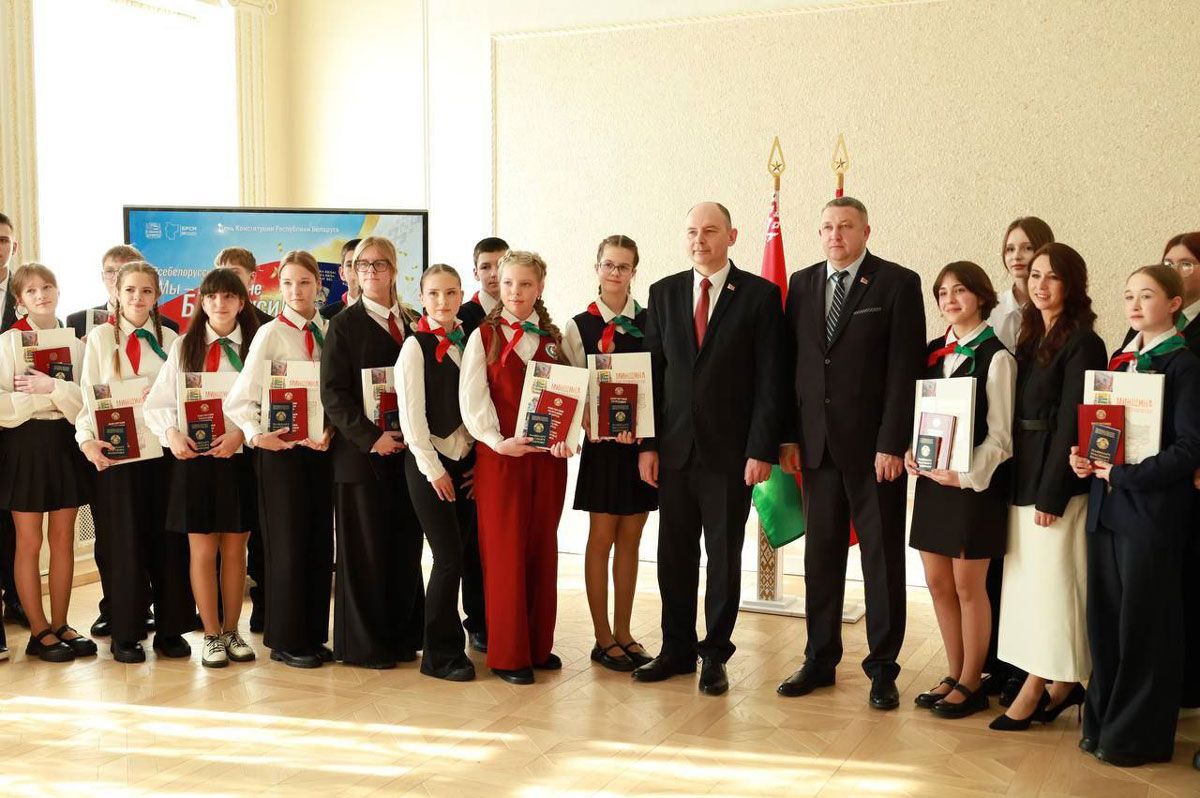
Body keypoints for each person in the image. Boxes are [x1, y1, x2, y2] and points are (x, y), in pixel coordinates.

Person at [632, 202, 788, 697]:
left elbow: (771, 380)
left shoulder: (760, 295)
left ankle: (715, 654)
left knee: (723, 558)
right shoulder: (663, 292)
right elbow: (652, 374)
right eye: (692, 231)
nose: (699, 240)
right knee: (673, 556)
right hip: (674, 452)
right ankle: (675, 649)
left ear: (732, 236)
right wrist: (648, 444)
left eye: (710, 231)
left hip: (731, 455)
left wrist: (761, 448)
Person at [778, 196, 925, 710]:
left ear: (866, 231)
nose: (835, 235)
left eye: (845, 226)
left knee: (881, 560)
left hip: (873, 453)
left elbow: (905, 369)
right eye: (826, 227)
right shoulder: (802, 283)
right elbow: (795, 366)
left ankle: (883, 669)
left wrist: (892, 442)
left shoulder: (897, 283)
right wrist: (789, 437)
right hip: (816, 448)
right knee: (820, 558)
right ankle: (819, 659)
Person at [1069, 264, 1200, 766]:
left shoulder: (1185, 365)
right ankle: (1102, 723)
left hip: (1150, 515)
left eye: (1146, 295)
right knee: (1105, 624)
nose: (1135, 305)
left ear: (1174, 304)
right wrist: (1084, 458)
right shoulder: (1120, 360)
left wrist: (1125, 475)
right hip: (1106, 509)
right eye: (1128, 296)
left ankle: (1136, 737)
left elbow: (1190, 448)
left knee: (1145, 628)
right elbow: (1103, 433)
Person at [992, 242, 1106, 731]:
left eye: (1052, 276)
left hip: (1055, 482)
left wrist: (1052, 492)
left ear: (1071, 284)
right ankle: (1059, 684)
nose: (1040, 284)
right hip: (1023, 473)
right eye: (1035, 275)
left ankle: (1039, 685)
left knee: (1054, 589)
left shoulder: (1084, 342)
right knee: (1028, 587)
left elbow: (1073, 422)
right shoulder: (1031, 333)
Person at [459, 249, 575, 684]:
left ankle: (538, 646)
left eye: (525, 284)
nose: (515, 292)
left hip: (547, 463)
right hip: (502, 459)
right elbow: (472, 399)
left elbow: (571, 397)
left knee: (541, 547)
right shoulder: (483, 337)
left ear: (539, 288)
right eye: (508, 283)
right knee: (505, 553)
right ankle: (509, 656)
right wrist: (495, 442)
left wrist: (567, 440)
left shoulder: (554, 338)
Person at [905, 261, 1014, 718]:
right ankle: (953, 673)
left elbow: (1002, 438)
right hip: (934, 484)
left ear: (981, 297)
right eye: (943, 293)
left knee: (969, 587)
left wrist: (965, 475)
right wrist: (912, 451)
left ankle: (973, 680)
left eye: (960, 290)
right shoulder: (933, 352)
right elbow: (923, 417)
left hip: (973, 488)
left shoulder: (998, 357)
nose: (950, 300)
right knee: (937, 583)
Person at [76, 261, 194, 664]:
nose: (137, 298)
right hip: (118, 454)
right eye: (130, 290)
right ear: (117, 293)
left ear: (157, 295)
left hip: (162, 454)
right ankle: (126, 631)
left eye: (146, 291)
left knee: (168, 541)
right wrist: (86, 440)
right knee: (122, 543)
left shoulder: (172, 338)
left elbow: (181, 395)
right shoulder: (99, 338)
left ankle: (171, 629)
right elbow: (88, 395)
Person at [145, 268, 259, 668]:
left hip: (239, 460)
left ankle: (232, 631)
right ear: (202, 302)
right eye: (212, 297)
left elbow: (266, 400)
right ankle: (210, 635)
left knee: (236, 549)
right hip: (195, 462)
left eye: (228, 296)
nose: (219, 304)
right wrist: (172, 433)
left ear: (241, 302)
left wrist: (240, 434)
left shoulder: (255, 344)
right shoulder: (184, 346)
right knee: (203, 549)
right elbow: (158, 403)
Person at [320, 236, 424, 669]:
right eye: (363, 265)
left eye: (380, 264)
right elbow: (333, 394)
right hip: (361, 459)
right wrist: (370, 438)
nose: (371, 271)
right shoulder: (344, 324)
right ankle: (366, 647)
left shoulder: (414, 321)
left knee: (404, 548)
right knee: (366, 554)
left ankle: (401, 639)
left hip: (408, 455)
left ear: (394, 270)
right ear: (353, 272)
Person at [226, 250, 334, 669]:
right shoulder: (270, 334)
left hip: (319, 453)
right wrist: (257, 436)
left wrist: (331, 430)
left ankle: (312, 634)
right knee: (287, 546)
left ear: (318, 285)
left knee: (317, 544)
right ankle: (286, 640)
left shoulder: (328, 331)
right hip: (281, 456)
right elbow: (240, 399)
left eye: (304, 282)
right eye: (287, 283)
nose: (295, 291)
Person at [562, 235, 657, 672]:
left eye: (623, 266)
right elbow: (570, 387)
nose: (615, 273)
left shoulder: (651, 321)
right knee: (601, 538)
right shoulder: (578, 325)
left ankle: (625, 631)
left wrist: (646, 434)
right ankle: (602, 637)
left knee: (632, 540)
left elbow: (659, 382)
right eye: (608, 264)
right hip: (601, 449)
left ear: (634, 271)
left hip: (639, 449)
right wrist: (587, 418)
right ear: (596, 267)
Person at [0, 263, 95, 662]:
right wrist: (45, 395)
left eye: (47, 287)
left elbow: (84, 401)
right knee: (28, 541)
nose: (41, 295)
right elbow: (3, 406)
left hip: (64, 443)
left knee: (63, 538)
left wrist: (53, 387)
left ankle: (61, 623)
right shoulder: (7, 342)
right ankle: (38, 630)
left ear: (58, 291)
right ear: (20, 300)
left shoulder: (76, 344)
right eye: (31, 290)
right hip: (24, 444)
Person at [983, 217, 1053, 704]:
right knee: (994, 558)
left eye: (1027, 248)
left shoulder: (1055, 312)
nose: (1018, 257)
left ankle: (1027, 668)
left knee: (1028, 563)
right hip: (994, 445)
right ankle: (995, 662)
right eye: (1011, 248)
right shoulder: (992, 312)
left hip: (1033, 447)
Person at [395, 264, 477, 681]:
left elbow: (480, 404)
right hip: (429, 464)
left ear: (461, 295)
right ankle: (439, 655)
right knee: (448, 558)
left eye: (450, 293)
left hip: (465, 462)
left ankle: (453, 643)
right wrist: (434, 470)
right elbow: (412, 419)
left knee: (461, 557)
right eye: (433, 294)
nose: (442, 301)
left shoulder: (471, 338)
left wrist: (477, 463)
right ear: (422, 298)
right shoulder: (415, 346)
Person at [214, 246, 271, 631]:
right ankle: (218, 614)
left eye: (235, 274)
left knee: (261, 533)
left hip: (257, 447)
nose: (227, 282)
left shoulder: (266, 326)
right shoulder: (195, 334)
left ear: (251, 279)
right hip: (214, 447)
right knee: (221, 534)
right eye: (221, 273)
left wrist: (245, 431)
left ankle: (265, 607)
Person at [0, 212, 26, 635]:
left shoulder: (26, 291)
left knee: (13, 520)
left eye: (3, 239)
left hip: (18, 425)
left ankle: (18, 600)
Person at [67, 245, 180, 340]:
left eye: (124, 271)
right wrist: (82, 351)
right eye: (110, 271)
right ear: (102, 276)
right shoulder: (77, 322)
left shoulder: (168, 328)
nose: (117, 277)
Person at [457, 237, 507, 334]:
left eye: (501, 265)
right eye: (485, 267)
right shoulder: (461, 316)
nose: (494, 273)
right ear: (476, 273)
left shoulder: (521, 310)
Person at [320, 238, 361, 320]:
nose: (357, 271)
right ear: (342, 273)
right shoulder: (324, 316)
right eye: (350, 265)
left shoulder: (387, 314)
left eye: (364, 264)